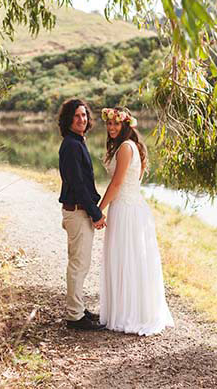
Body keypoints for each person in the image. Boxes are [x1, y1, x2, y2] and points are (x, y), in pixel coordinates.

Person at [98, 107, 174, 336]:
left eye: (116, 124)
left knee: (127, 258)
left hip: (126, 210)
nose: (111, 128)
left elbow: (117, 184)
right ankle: (132, 310)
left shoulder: (125, 148)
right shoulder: (133, 147)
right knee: (130, 259)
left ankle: (129, 314)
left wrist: (98, 210)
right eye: (109, 124)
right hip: (132, 208)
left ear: (125, 126)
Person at [58, 98, 107, 331]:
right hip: (77, 213)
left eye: (84, 115)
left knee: (81, 263)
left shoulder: (77, 142)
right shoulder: (71, 145)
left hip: (79, 212)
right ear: (68, 119)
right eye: (77, 116)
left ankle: (78, 308)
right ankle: (74, 316)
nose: (82, 119)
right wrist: (96, 213)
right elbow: (77, 185)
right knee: (78, 265)